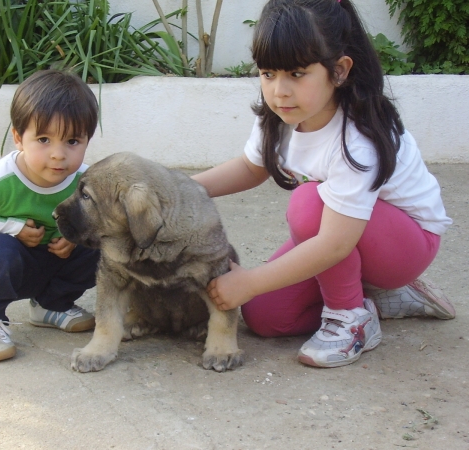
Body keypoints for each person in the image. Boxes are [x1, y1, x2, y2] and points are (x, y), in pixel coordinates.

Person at [192, 0, 455, 368]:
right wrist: (178, 188)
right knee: (265, 316)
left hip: (405, 244)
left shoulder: (357, 139)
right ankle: (380, 298)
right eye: (268, 73)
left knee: (308, 203)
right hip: (344, 230)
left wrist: (249, 280)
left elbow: (334, 244)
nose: (279, 91)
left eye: (297, 74)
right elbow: (251, 169)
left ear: (339, 70)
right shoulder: (281, 115)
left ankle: (350, 318)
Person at [0, 69, 100, 362]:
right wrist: (12, 228)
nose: (58, 154)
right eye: (43, 139)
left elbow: (100, 219)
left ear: (87, 140)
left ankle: (51, 305)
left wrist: (77, 239)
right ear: (18, 137)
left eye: (72, 142)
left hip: (52, 261)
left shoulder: (86, 180)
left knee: (103, 246)